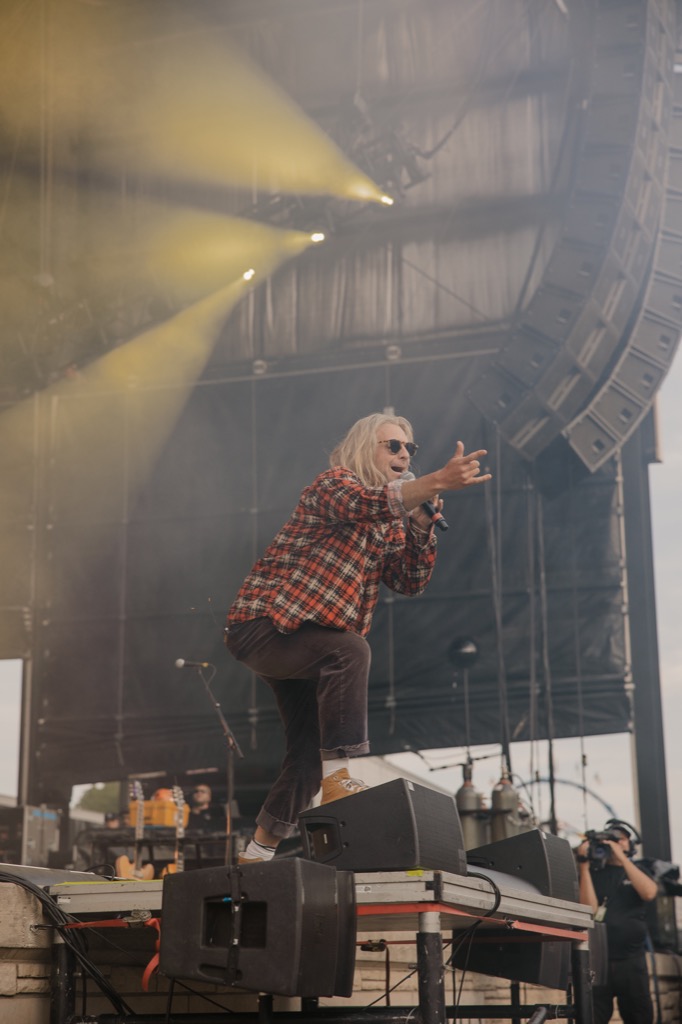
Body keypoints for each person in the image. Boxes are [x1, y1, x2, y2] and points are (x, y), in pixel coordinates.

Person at [224, 412, 491, 864]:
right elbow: (369, 504)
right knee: (350, 651)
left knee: (308, 755)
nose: (404, 454)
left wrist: (420, 526)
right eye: (393, 445)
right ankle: (340, 778)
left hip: (308, 644)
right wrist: (435, 481)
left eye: (409, 448)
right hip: (264, 626)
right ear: (365, 448)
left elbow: (408, 581)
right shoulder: (334, 485)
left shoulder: (391, 522)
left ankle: (257, 852)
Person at [576, 824, 658, 1024]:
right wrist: (584, 866)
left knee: (639, 1015)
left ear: (630, 844)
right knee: (592, 1015)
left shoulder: (639, 870)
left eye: (620, 839)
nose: (615, 843)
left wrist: (622, 858)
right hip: (598, 960)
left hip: (631, 959)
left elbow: (649, 893)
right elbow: (589, 910)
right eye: (611, 839)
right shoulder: (594, 872)